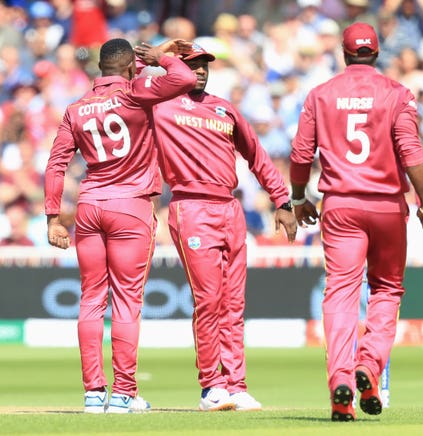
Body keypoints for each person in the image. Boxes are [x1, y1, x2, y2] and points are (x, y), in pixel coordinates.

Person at [139, 42, 298, 412]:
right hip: (190, 206)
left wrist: (283, 201)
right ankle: (212, 385)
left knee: (233, 303)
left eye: (204, 65)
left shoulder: (224, 108)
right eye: (192, 64)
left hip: (230, 207)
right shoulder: (159, 105)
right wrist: (162, 56)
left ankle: (236, 384)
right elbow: (127, 73)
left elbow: (257, 156)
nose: (200, 70)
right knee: (209, 300)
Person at [289, 22, 423, 421]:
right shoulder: (397, 94)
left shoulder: (320, 95)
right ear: (377, 52)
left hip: (340, 205)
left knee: (339, 293)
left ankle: (341, 382)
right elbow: (411, 152)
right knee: (386, 289)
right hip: (387, 206)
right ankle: (368, 367)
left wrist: (299, 197)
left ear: (344, 52)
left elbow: (301, 154)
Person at [44, 37, 196, 414]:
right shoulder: (137, 92)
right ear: (131, 67)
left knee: (91, 300)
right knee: (128, 302)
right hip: (131, 207)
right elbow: (184, 79)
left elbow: (55, 164)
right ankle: (124, 394)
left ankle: (94, 393)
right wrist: (160, 56)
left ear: (100, 67)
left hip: (90, 206)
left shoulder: (76, 108)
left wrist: (52, 217)